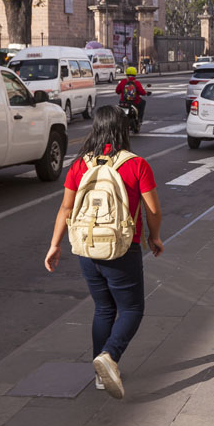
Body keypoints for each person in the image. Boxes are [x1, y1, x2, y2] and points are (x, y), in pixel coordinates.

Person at [44, 105, 163, 397]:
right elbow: (152, 209)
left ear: (95, 128)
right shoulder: (136, 164)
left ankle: (100, 375)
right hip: (122, 249)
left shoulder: (80, 165)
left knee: (103, 308)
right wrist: (154, 237)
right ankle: (109, 356)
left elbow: (66, 208)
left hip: (87, 248)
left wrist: (55, 244)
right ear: (123, 128)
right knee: (132, 309)